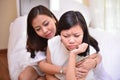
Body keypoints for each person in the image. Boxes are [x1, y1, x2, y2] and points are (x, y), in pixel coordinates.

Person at [18, 5, 100, 80]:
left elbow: (96, 53)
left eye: (46, 24)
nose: (45, 30)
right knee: (23, 77)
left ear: (53, 18)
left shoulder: (67, 29)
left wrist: (94, 62)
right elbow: (43, 66)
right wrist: (64, 70)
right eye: (38, 29)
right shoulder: (42, 42)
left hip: (58, 67)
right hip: (46, 67)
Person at [47, 11, 112, 80]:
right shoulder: (52, 43)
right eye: (66, 36)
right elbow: (48, 74)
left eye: (76, 35)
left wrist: (73, 54)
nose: (71, 41)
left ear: (83, 33)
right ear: (60, 33)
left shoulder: (89, 53)